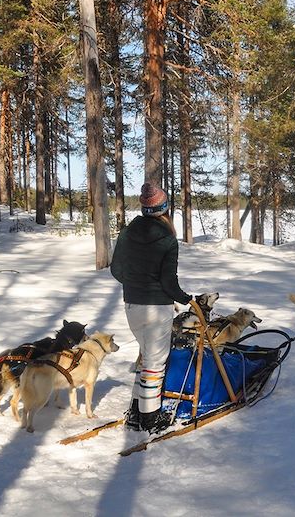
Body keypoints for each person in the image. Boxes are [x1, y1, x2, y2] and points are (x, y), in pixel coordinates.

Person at [111, 182, 192, 434]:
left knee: (146, 357)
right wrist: (187, 299)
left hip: (132, 305)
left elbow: (116, 270)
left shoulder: (127, 232)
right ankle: (150, 418)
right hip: (157, 308)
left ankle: (136, 410)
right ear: (165, 208)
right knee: (155, 363)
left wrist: (136, 284)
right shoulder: (168, 238)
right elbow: (169, 283)